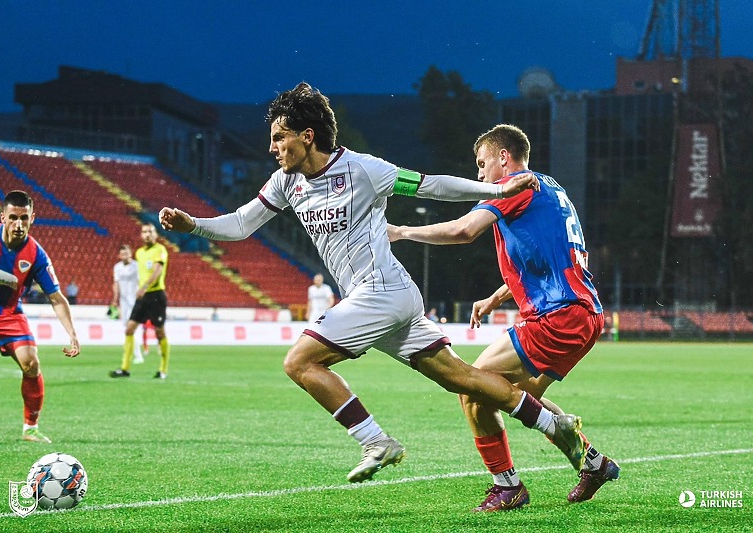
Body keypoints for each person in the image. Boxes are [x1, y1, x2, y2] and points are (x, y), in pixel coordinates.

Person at [159, 82, 585, 485]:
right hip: (382, 298)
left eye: (279, 137)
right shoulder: (286, 182)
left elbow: (431, 185)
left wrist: (496, 190)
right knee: (463, 378)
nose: (272, 147)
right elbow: (240, 223)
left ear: (307, 136)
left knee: (299, 362)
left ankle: (374, 440)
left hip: (382, 291)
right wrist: (193, 224)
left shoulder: (363, 169)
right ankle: (556, 423)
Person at [388, 124, 620, 511]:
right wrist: (497, 296)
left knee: (472, 388)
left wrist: (403, 232)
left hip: (557, 316)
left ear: (503, 158)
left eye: (481, 165)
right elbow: (548, 256)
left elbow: (465, 231)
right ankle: (592, 463)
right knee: (518, 398)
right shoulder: (551, 187)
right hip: (584, 314)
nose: (480, 176)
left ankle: (508, 486)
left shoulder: (515, 186)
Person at [0, 190, 80, 443]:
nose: (18, 224)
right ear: (3, 217)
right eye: (13, 218)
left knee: (31, 363)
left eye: (24, 218)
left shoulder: (36, 255)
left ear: (33, 218)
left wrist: (73, 334)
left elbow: (56, 298)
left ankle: (30, 427)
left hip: (7, 312)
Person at [109, 223, 170, 379]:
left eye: (150, 231)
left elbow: (157, 270)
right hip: (143, 297)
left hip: (156, 295)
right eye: (144, 232)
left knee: (159, 331)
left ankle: (163, 369)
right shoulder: (139, 253)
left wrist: (144, 287)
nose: (147, 234)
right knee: (129, 329)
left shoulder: (160, 250)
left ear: (155, 234)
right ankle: (125, 368)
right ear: (141, 235)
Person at [111, 243, 144, 363]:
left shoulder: (137, 266)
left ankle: (138, 355)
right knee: (127, 328)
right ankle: (134, 353)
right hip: (123, 302)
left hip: (135, 301)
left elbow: (142, 282)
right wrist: (115, 299)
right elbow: (116, 283)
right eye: (122, 253)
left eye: (127, 253)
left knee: (132, 328)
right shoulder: (117, 267)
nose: (125, 255)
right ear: (119, 255)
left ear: (131, 253)